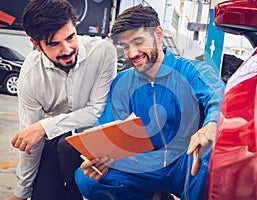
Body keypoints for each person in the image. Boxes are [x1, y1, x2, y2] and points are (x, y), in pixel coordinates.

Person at [74, 4, 225, 200]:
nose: (132, 53)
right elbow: (108, 127)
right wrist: (98, 158)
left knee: (207, 151)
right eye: (126, 46)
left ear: (158, 35)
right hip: (143, 164)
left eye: (138, 42)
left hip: (185, 164)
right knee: (87, 179)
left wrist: (212, 124)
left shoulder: (193, 71)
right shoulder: (122, 82)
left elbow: (218, 96)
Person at [5, 0, 117, 200]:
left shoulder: (103, 52)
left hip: (93, 141)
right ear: (36, 44)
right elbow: (32, 141)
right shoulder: (31, 74)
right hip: (54, 142)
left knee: (68, 148)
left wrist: (44, 126)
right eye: (54, 44)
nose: (66, 49)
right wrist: (21, 192)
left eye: (70, 37)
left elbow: (96, 111)